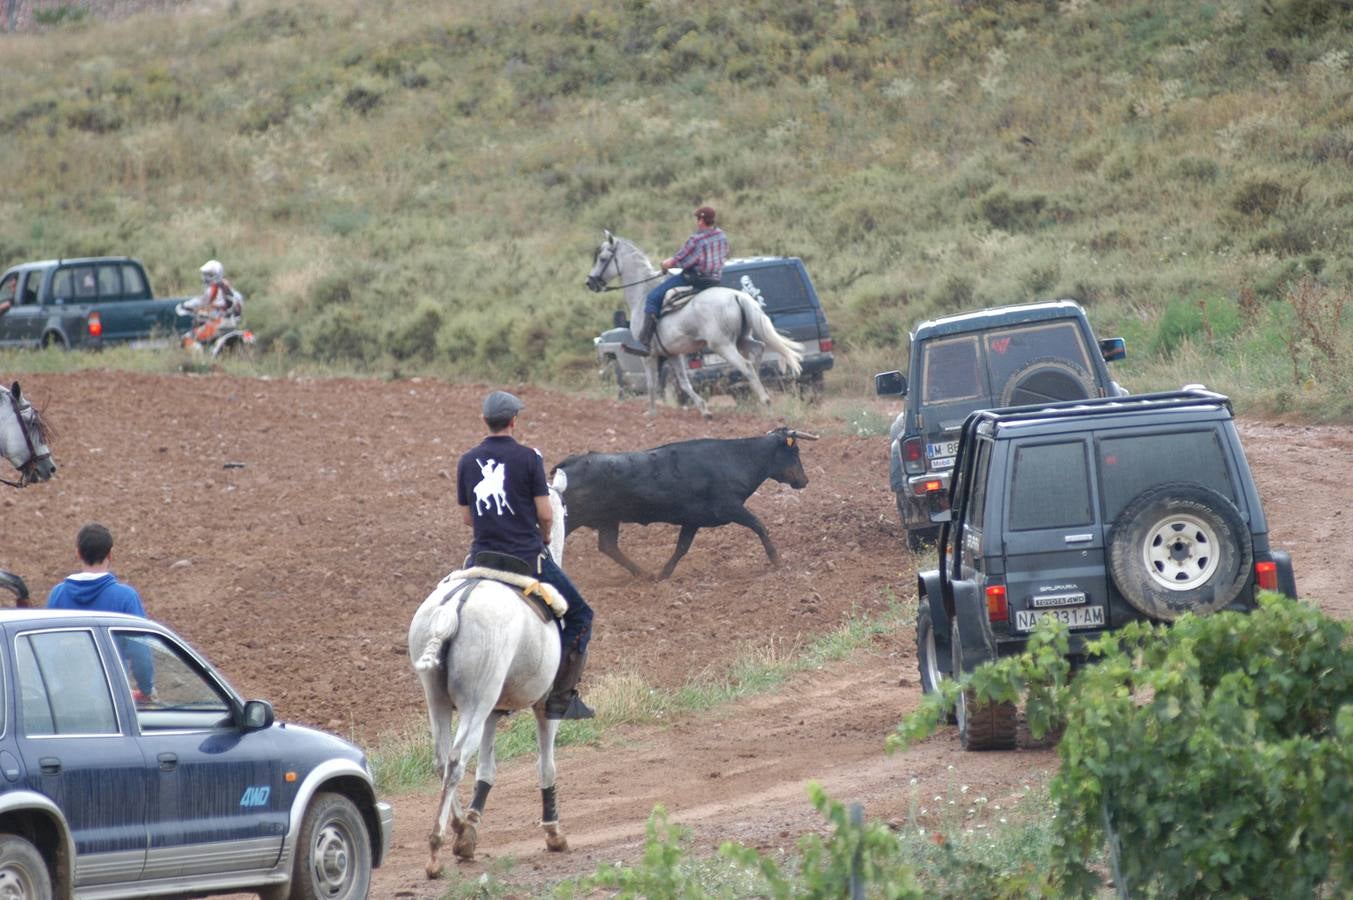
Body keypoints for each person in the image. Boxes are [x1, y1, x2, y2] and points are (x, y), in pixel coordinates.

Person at [456, 391, 595, 719]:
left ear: (484, 421)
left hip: (481, 559)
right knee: (581, 616)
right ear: (514, 421)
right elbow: (546, 514)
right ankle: (561, 697)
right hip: (525, 557)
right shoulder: (529, 458)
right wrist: (545, 537)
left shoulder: (466, 460)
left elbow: (466, 518)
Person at [47, 523, 156, 702]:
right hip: (110, 700)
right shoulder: (125, 597)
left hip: (64, 700)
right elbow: (140, 651)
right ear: (110, 554)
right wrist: (146, 689)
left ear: (78, 553)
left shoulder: (58, 595)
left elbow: (47, 649)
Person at [625, 205, 729, 356]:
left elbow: (681, 260)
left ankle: (644, 342)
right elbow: (725, 254)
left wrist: (666, 264)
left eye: (697, 219)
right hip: (715, 280)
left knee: (653, 298)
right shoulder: (721, 235)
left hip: (695, 279)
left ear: (701, 221)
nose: (697, 222)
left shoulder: (696, 239)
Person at [183, 259, 244, 347]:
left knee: (191, 337)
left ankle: (200, 358)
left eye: (209, 275)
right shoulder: (227, 287)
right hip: (231, 324)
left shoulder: (214, 288)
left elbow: (202, 301)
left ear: (216, 274)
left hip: (219, 323)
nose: (205, 277)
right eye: (205, 274)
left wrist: (185, 305)